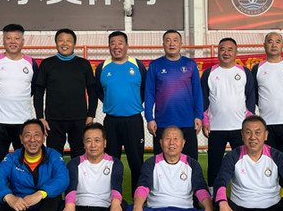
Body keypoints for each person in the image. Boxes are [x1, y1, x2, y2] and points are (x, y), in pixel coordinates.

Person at [127, 126, 215, 211]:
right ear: (161, 142)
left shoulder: (192, 164)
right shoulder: (151, 163)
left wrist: (208, 209)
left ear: (183, 143)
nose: (171, 143)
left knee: (213, 210)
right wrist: (138, 207)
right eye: (167, 139)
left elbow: (201, 189)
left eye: (176, 139)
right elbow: (142, 187)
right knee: (131, 208)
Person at [60, 123, 127, 211]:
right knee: (61, 204)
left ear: (105, 143)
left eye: (97, 140)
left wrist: (115, 204)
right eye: (88, 141)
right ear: (83, 144)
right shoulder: (74, 163)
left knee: (122, 204)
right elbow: (71, 187)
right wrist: (69, 206)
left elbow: (116, 186)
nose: (93, 145)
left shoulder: (115, 163)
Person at [0, 23, 38, 175]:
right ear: (3, 41)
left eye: (17, 38)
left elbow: (33, 88)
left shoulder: (31, 63)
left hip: (23, 122)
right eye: (9, 38)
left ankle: (24, 188)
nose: (13, 41)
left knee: (25, 161)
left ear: (23, 41)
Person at [95, 31, 147, 195]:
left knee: (136, 162)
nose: (116, 46)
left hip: (134, 121)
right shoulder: (102, 67)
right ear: (109, 46)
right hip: (111, 122)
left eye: (120, 42)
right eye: (113, 43)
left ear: (127, 46)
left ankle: (137, 197)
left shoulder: (137, 65)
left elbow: (144, 91)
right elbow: (99, 92)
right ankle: (111, 196)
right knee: (110, 162)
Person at [201, 37, 255, 190]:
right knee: (214, 164)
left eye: (230, 49)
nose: (226, 53)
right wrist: (205, 121)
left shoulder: (244, 72)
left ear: (236, 52)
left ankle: (244, 192)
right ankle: (213, 195)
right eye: (222, 49)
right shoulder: (209, 73)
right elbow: (203, 99)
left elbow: (251, 97)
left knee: (242, 163)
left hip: (240, 127)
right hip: (216, 128)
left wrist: (249, 122)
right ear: (218, 52)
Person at [34, 28, 97, 158]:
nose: (65, 43)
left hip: (79, 119)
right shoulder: (47, 64)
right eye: (61, 40)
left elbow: (92, 91)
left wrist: (91, 115)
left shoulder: (84, 64)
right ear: (56, 43)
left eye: (69, 41)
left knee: (79, 155)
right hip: (53, 120)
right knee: (54, 156)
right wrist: (40, 117)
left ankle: (77, 173)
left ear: (74, 44)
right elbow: (38, 91)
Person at [144, 30, 203, 160]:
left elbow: (197, 92)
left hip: (187, 122)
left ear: (181, 44)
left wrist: (199, 116)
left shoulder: (190, 64)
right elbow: (149, 93)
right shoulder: (155, 65)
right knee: (162, 163)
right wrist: (149, 118)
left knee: (190, 163)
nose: (172, 43)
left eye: (175, 40)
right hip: (162, 123)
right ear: (163, 44)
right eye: (168, 40)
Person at [250, 32, 283, 163]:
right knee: (268, 162)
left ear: (282, 45)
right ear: (264, 45)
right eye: (270, 41)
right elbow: (254, 93)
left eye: (277, 42)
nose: (274, 45)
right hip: (267, 123)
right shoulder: (257, 68)